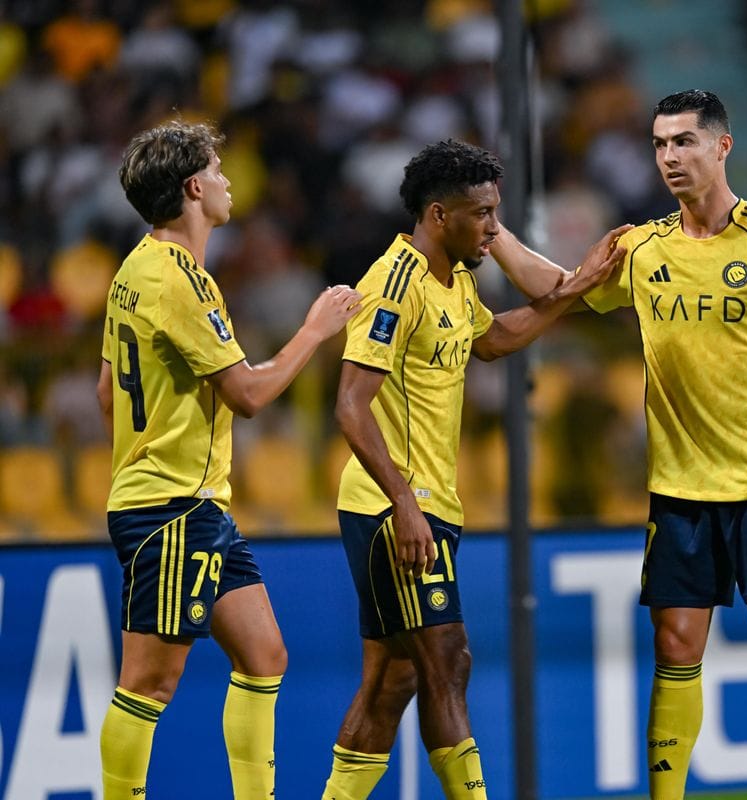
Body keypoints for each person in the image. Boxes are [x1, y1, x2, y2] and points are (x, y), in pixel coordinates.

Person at [491, 90, 747, 800]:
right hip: (679, 489)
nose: (669, 156)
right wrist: (495, 234)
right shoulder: (642, 248)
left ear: (722, 147)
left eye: (684, 141)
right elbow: (562, 290)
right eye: (660, 144)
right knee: (674, 645)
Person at [320, 139, 628, 800]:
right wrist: (404, 503)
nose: (494, 228)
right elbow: (349, 405)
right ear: (439, 215)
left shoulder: (457, 278)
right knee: (449, 659)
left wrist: (575, 290)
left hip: (427, 503)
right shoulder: (394, 285)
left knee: (394, 679)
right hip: (393, 508)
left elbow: (490, 340)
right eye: (482, 214)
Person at [97, 119, 361, 799]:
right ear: (193, 188)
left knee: (265, 654)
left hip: (189, 502)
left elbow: (106, 392)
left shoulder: (134, 268)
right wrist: (315, 331)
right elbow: (247, 394)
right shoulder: (180, 281)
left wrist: (149, 445)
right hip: (171, 508)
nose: (226, 180)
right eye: (216, 170)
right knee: (149, 682)